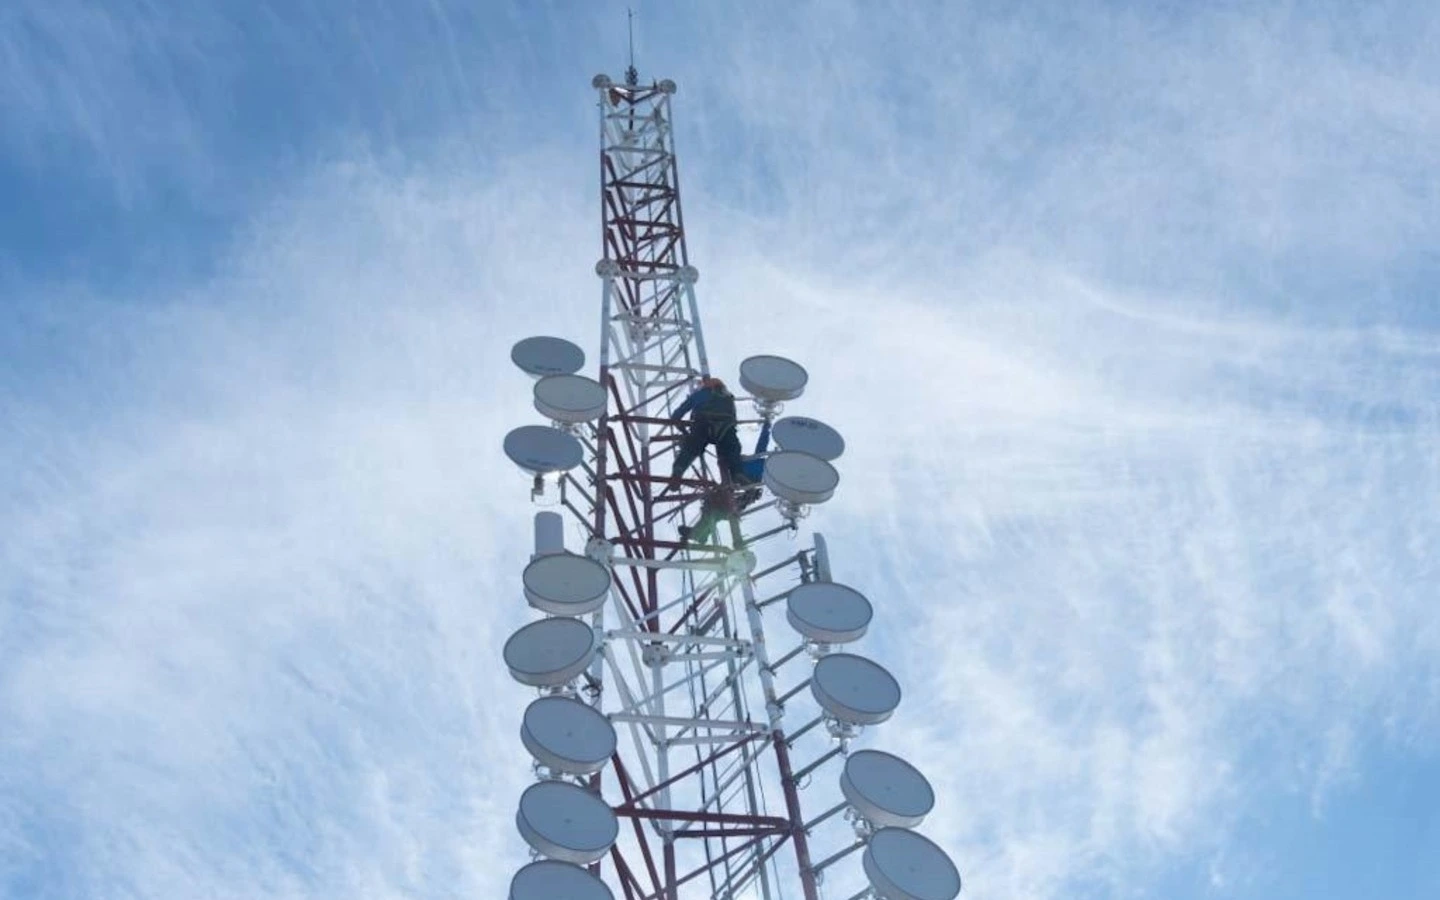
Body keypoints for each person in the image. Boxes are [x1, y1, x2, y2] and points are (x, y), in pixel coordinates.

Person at [677, 421, 772, 547]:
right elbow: (762, 443)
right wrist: (766, 426)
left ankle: (701, 533)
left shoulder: (760, 464)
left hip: (745, 490)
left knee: (718, 506)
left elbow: (762, 444)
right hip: (737, 488)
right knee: (714, 504)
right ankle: (701, 533)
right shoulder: (751, 462)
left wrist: (766, 427)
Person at [669, 377, 743, 485]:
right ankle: (737, 473)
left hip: (703, 425)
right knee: (732, 449)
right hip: (725, 428)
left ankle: (678, 471)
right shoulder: (728, 397)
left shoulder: (700, 394)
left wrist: (683, 429)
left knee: (690, 449)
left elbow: (678, 414)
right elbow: (733, 419)